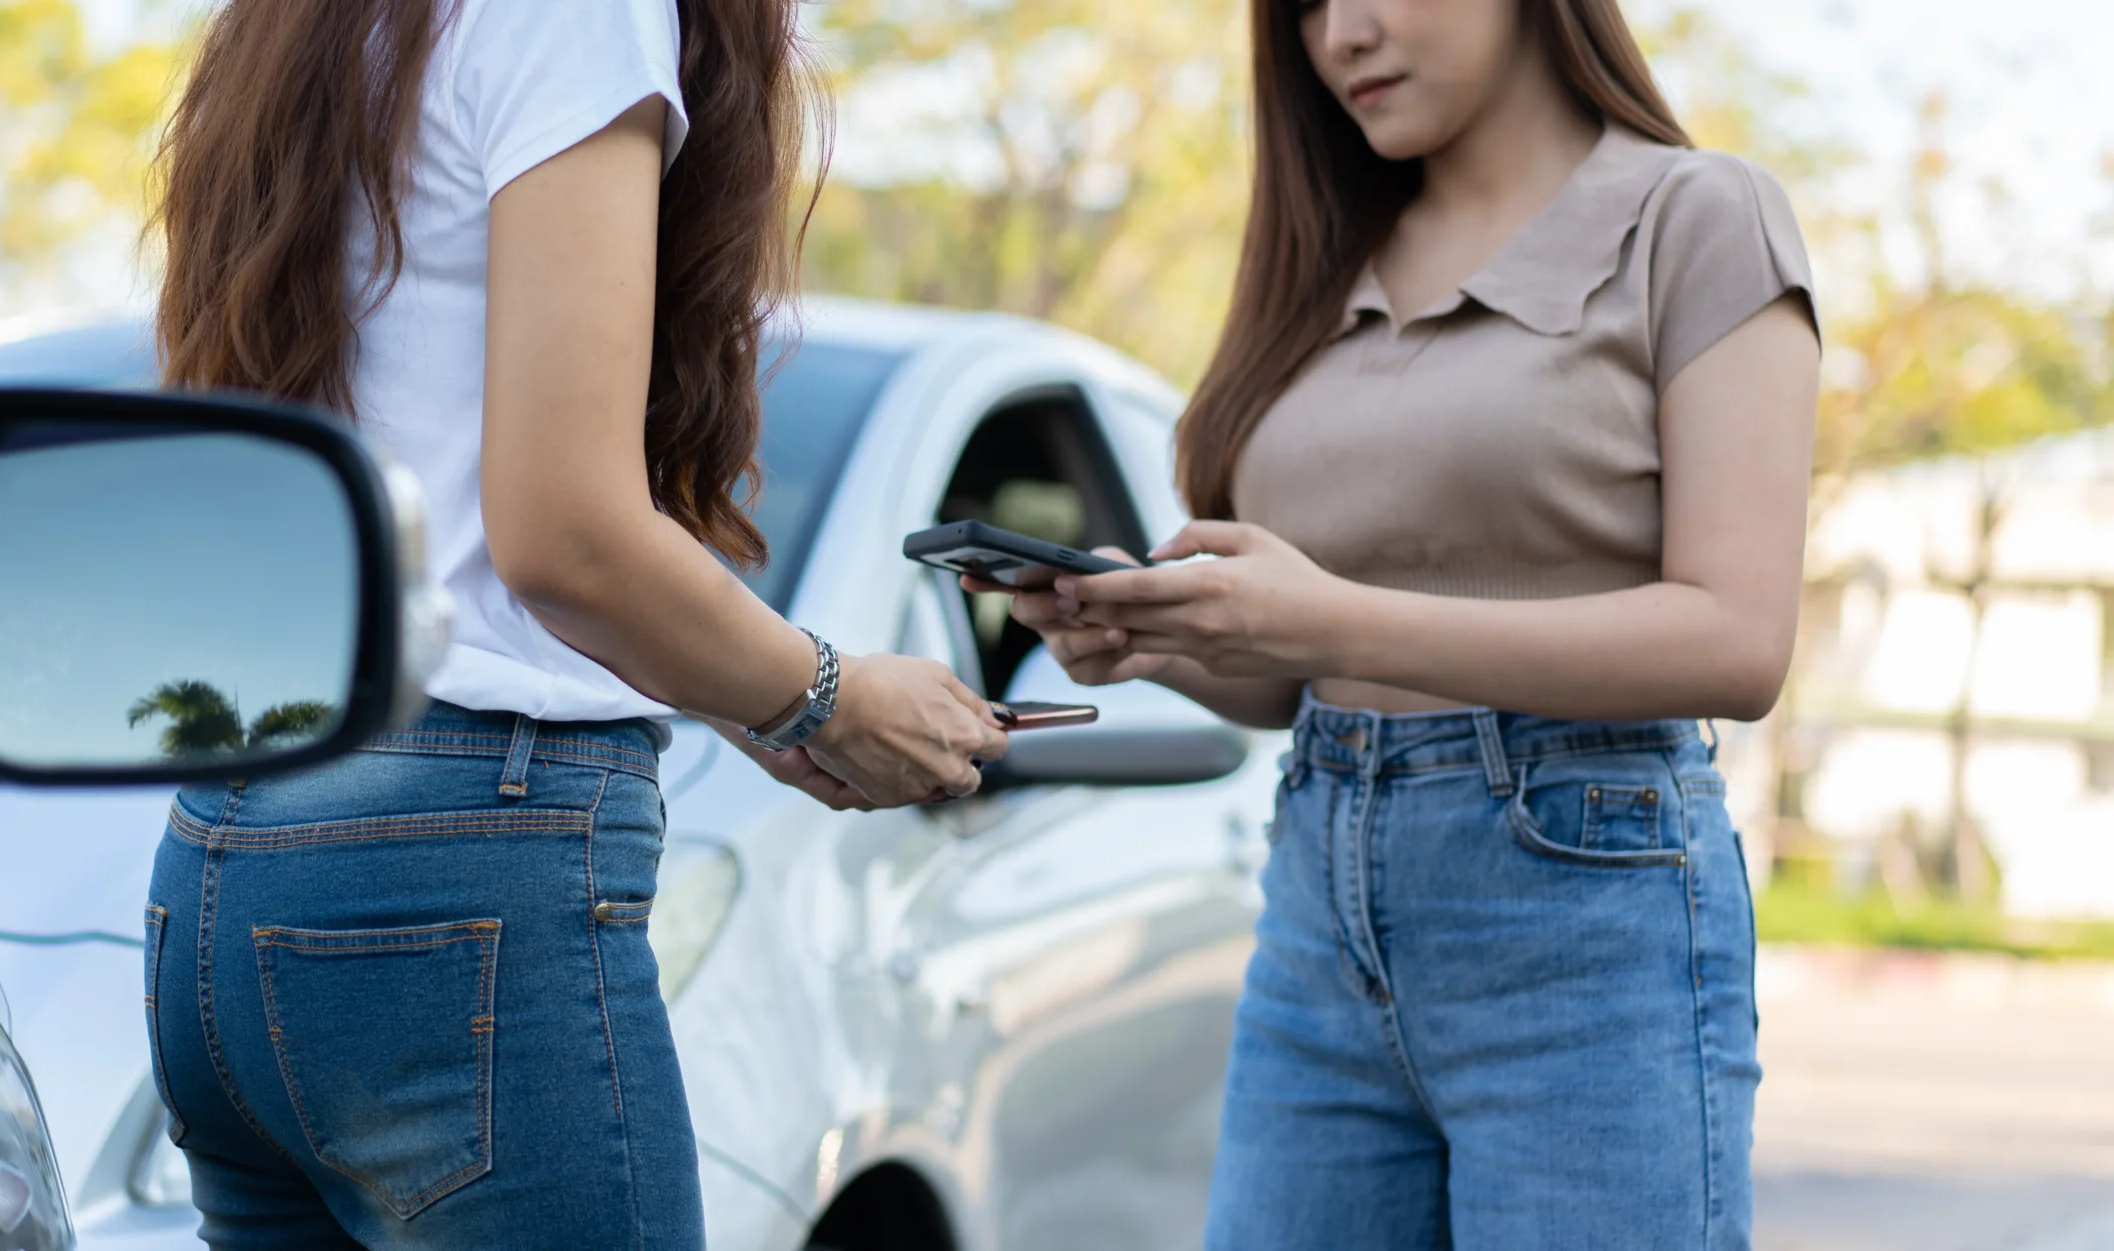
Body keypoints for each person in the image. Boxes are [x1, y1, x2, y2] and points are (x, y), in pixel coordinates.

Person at [141, 0, 1010, 1246]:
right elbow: (563, 536)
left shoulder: (308, 26)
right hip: (457, 876)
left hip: (229, 852)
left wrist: (715, 683)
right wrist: (824, 691)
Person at [987, 0, 1818, 1247]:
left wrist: (1331, 621)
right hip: (1317, 921)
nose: (1340, 36)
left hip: (1583, 917)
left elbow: (1735, 641)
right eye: (1308, 8)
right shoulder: (1320, 259)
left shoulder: (1694, 217)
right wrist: (1167, 638)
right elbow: (1298, 673)